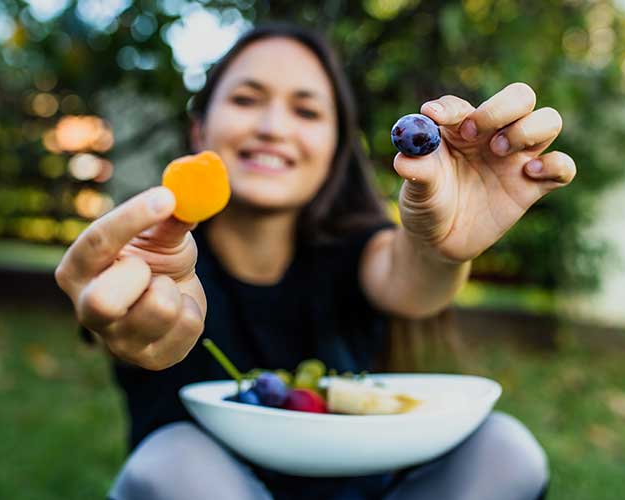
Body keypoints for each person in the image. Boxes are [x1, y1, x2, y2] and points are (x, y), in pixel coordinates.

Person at [54, 22, 574, 500]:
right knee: (173, 463)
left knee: (505, 450)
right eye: (246, 98)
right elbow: (136, 321)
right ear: (200, 132)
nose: (274, 126)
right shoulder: (159, 257)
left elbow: (410, 278)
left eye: (306, 111)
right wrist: (144, 321)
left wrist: (440, 246)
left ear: (333, 147)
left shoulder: (353, 251)